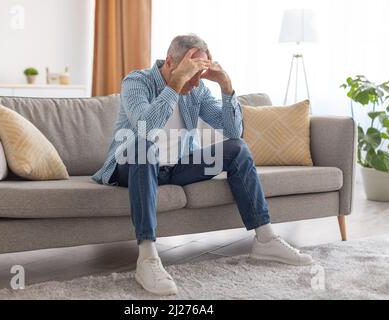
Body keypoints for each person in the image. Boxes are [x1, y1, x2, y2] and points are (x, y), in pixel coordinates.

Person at [93, 34, 313, 296]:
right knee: (145, 146)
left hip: (177, 168)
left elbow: (233, 132)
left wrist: (227, 87)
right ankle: (147, 257)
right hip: (131, 165)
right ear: (172, 62)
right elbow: (145, 129)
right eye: (193, 72)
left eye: (202, 72)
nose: (198, 80)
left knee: (237, 149)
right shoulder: (137, 82)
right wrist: (175, 85)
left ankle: (265, 239)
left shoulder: (197, 90)